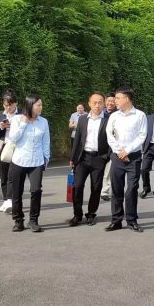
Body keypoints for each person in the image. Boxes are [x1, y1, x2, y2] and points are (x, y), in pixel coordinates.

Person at [105, 87, 147, 232]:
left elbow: (142, 135)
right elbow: (109, 134)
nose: (114, 101)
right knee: (116, 189)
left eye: (117, 98)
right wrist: (119, 151)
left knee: (131, 189)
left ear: (127, 98)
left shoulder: (140, 115)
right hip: (117, 157)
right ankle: (116, 220)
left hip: (133, 158)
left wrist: (127, 151)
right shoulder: (114, 116)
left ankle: (131, 220)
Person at [8, 94, 51, 232]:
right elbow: (13, 138)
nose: (41, 107)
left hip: (37, 161)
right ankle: (18, 220)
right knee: (17, 192)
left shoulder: (43, 121)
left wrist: (46, 158)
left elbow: (46, 141)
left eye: (41, 104)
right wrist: (23, 123)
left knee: (36, 190)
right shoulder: (16, 119)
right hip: (19, 161)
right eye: (38, 105)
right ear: (30, 105)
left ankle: (33, 220)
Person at [69, 92, 110, 226]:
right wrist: (72, 157)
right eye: (94, 103)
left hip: (99, 158)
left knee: (96, 187)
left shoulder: (108, 119)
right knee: (77, 186)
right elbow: (77, 140)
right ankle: (77, 215)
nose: (97, 105)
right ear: (89, 104)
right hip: (83, 158)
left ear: (104, 104)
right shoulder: (82, 119)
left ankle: (91, 213)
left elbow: (112, 139)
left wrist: (106, 157)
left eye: (100, 103)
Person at [0, 91, 20, 213]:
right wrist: (1, 127)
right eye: (5, 105)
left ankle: (10, 200)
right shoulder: (0, 115)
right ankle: (6, 200)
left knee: (12, 175)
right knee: (3, 176)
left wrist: (13, 126)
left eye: (10, 105)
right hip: (3, 147)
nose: (8, 108)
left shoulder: (22, 114)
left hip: (17, 148)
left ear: (16, 103)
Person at [100, 93, 117, 202]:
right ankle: (98, 189)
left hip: (111, 148)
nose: (110, 103)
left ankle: (104, 192)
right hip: (99, 147)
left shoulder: (118, 115)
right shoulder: (100, 113)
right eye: (108, 101)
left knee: (108, 172)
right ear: (105, 102)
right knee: (99, 171)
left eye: (112, 101)